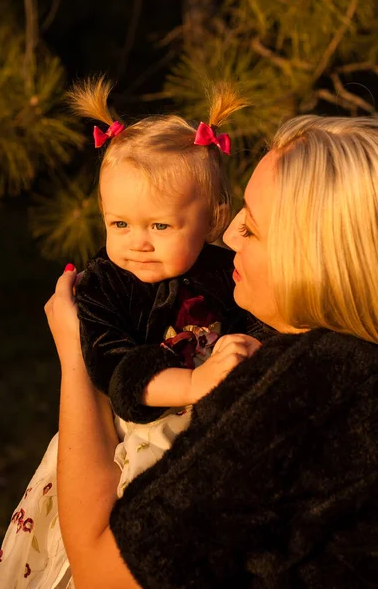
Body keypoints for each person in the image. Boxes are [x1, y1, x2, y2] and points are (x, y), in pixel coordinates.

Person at [46, 114, 378, 588]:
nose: (227, 235)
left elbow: (101, 575)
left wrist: (76, 355)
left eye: (255, 228)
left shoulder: (306, 390)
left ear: (318, 255)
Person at [0, 79, 267, 588]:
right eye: (118, 225)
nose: (137, 243)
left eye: (160, 227)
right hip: (124, 440)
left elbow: (258, 322)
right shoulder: (102, 287)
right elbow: (112, 366)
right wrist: (192, 386)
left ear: (211, 220)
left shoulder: (226, 271)